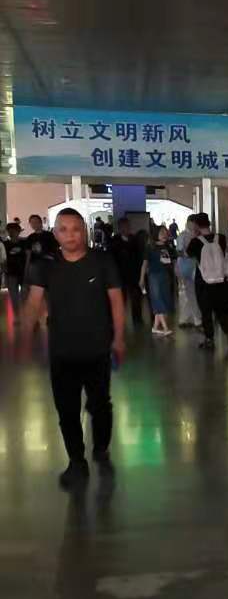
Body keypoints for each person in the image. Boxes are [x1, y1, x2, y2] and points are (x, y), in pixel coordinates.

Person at [20, 209, 125, 490]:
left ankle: (101, 446)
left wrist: (119, 338)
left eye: (76, 229)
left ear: (85, 231)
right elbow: (33, 303)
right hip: (62, 351)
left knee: (100, 404)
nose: (70, 235)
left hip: (97, 349)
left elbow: (116, 301)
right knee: (66, 410)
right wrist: (26, 338)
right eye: (63, 229)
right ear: (55, 234)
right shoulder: (45, 265)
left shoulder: (102, 262)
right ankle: (76, 461)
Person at [187, 212, 228, 352]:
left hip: (203, 282)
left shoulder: (195, 242)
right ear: (209, 223)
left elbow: (188, 254)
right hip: (220, 280)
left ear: (197, 225)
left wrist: (194, 235)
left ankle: (209, 339)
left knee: (206, 311)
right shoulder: (220, 238)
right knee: (222, 310)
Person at [108, 217, 145, 328]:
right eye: (123, 227)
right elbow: (111, 259)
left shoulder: (134, 240)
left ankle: (137, 319)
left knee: (136, 298)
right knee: (121, 300)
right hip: (120, 275)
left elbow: (139, 256)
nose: (126, 229)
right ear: (119, 228)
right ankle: (119, 321)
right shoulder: (114, 241)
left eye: (127, 226)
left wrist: (141, 273)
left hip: (134, 274)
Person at [140, 224, 177, 337]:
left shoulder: (168, 247)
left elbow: (173, 262)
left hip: (166, 276)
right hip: (154, 276)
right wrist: (141, 278)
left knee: (164, 300)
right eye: (162, 233)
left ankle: (155, 327)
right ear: (156, 234)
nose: (164, 235)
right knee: (158, 301)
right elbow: (144, 264)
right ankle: (165, 328)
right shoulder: (150, 247)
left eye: (165, 232)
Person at [2, 221, 27, 308]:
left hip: (23, 272)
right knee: (13, 296)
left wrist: (27, 270)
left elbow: (28, 256)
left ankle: (25, 312)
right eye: (10, 231)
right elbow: (3, 259)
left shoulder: (24, 243)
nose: (12, 233)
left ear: (18, 231)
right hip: (11, 272)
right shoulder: (5, 244)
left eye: (14, 231)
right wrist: (4, 271)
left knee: (25, 294)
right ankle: (17, 312)